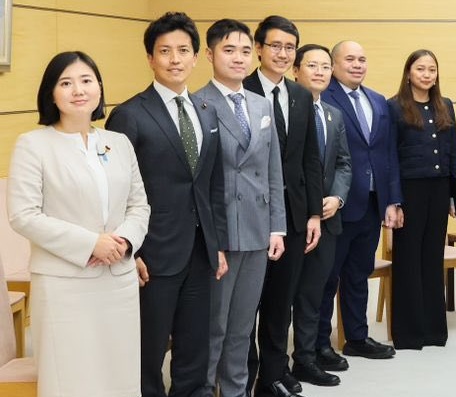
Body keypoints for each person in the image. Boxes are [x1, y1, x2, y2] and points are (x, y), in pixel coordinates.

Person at [7, 51, 150, 397]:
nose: (78, 90)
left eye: (86, 81)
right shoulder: (33, 145)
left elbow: (139, 205)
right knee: (71, 378)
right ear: (51, 93)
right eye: (66, 83)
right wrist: (90, 244)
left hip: (117, 281)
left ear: (99, 88)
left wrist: (124, 243)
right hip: (64, 285)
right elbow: (24, 215)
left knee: (119, 375)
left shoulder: (118, 143)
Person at [106, 12, 229, 397]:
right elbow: (114, 191)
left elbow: (212, 185)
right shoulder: (129, 114)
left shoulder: (206, 112)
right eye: (165, 51)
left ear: (196, 57)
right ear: (150, 58)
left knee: (195, 347)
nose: (175, 59)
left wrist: (218, 244)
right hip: (152, 254)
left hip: (200, 251)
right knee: (148, 349)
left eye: (183, 51)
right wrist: (132, 249)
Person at [194, 19, 288, 397]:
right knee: (213, 325)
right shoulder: (198, 103)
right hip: (220, 232)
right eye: (229, 50)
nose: (238, 58)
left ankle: (235, 390)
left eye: (245, 51)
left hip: (258, 229)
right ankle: (204, 388)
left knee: (242, 325)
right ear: (210, 54)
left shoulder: (261, 104)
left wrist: (277, 227)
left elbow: (272, 169)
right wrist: (210, 238)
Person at [242, 15, 324, 395]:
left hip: (292, 214)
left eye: (289, 47)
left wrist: (312, 214)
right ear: (258, 48)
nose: (281, 53)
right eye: (274, 45)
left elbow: (310, 159)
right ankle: (246, 372)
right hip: (249, 214)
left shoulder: (300, 95)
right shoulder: (239, 89)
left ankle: (274, 372)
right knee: (248, 303)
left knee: (281, 300)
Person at [317, 40, 401, 361]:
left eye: (362, 59)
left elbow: (387, 154)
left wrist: (392, 200)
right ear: (334, 64)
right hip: (336, 205)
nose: (357, 65)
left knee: (358, 274)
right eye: (349, 59)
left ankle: (356, 337)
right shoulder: (323, 97)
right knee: (327, 277)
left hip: (371, 204)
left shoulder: (378, 101)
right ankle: (320, 344)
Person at [388, 49, 456, 349]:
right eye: (420, 69)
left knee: (433, 258)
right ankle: (409, 333)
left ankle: (434, 329)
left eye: (432, 69)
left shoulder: (444, 105)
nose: (426, 75)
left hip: (437, 190)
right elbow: (390, 157)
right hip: (409, 191)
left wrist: (453, 193)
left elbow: (453, 152)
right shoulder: (394, 107)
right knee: (408, 259)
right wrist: (394, 200)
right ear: (409, 73)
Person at [290, 43, 351, 386]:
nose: (319, 71)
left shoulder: (332, 114)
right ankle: (282, 362)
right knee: (285, 296)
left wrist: (336, 198)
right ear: (296, 70)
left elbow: (343, 163)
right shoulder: (284, 109)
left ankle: (309, 355)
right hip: (294, 220)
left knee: (315, 291)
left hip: (328, 218)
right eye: (311, 65)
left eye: (325, 66)